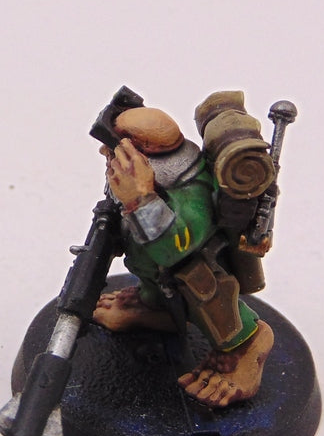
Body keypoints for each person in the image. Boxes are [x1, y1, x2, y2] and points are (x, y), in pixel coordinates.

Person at [91, 104, 275, 407]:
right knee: (155, 281)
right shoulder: (140, 178)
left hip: (194, 272)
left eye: (117, 147)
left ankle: (246, 344)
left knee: (203, 290)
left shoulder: (190, 188)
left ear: (144, 153)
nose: (105, 152)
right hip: (155, 272)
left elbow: (173, 248)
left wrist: (140, 199)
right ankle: (156, 307)